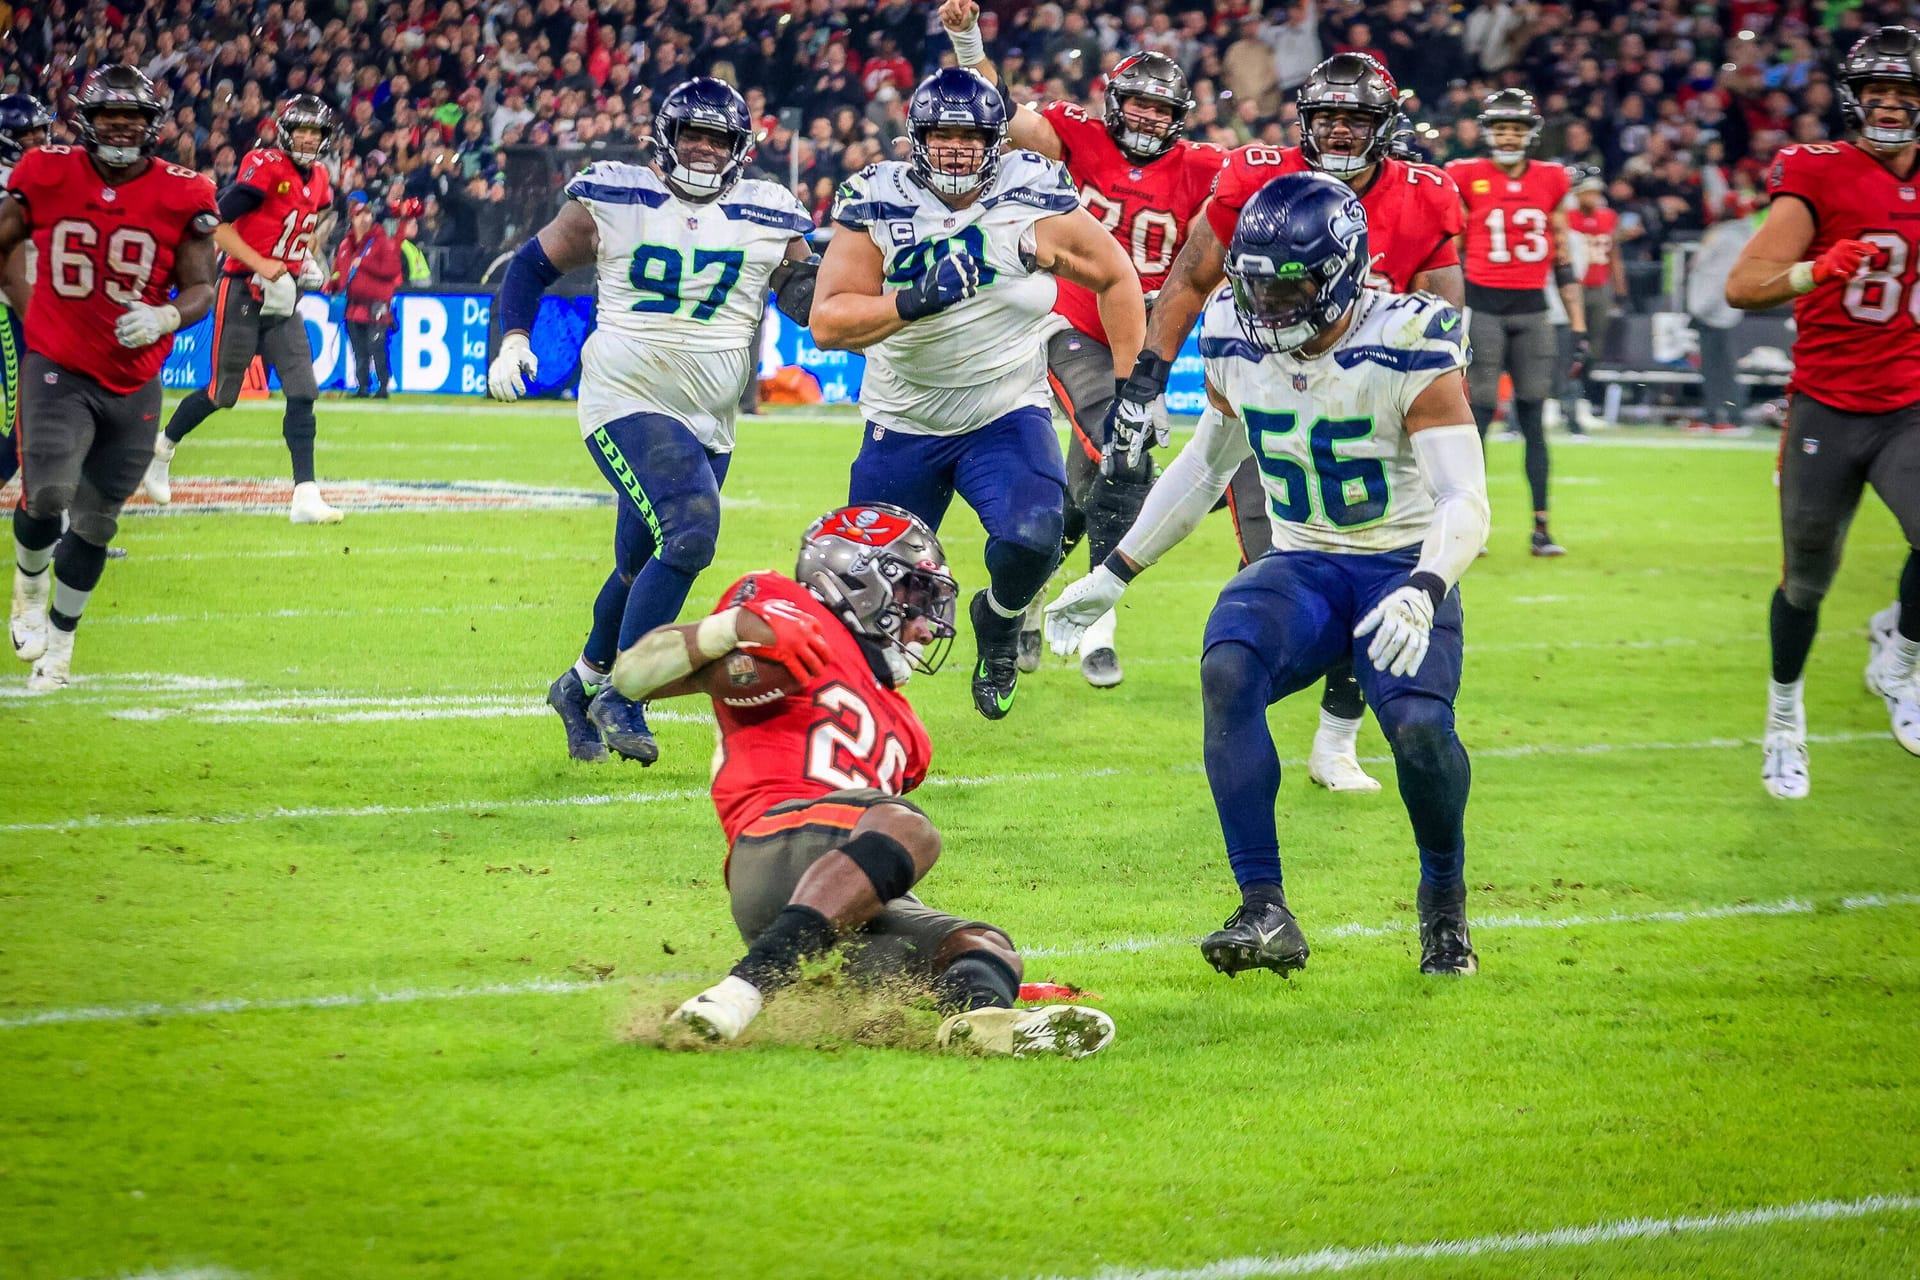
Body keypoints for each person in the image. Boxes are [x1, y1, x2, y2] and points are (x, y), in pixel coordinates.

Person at [1054, 174, 1487, 976]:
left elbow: (1466, 496)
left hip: (1398, 562)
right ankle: (1264, 907)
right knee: (1228, 664)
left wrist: (1427, 587)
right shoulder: (1230, 330)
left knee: (1421, 732)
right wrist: (1115, 573)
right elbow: (1203, 468)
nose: (1268, 302)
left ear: (1343, 273)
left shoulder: (1412, 339)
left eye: (1288, 284)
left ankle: (1444, 900)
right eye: (1252, 281)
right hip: (1303, 563)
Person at [612, 503, 1114, 1057]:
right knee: (909, 828)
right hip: (771, 844)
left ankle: (981, 1021)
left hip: (833, 894)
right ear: (862, 579)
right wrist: (732, 626)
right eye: (917, 599)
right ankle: (741, 991)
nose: (928, 624)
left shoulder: (905, 726)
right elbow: (633, 676)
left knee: (985, 946)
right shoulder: (785, 606)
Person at [1091, 52, 1463, 794]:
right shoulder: (1253, 175)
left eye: (1355, 118)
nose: (1339, 130)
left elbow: (1449, 318)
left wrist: (1437, 401)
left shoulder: (1426, 196)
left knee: (1375, 565)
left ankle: (1337, 735)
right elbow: (1194, 274)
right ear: (1302, 121)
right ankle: (1295, 720)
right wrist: (1147, 380)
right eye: (1326, 116)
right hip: (1273, 387)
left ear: (1385, 126)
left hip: (1374, 406)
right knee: (1281, 559)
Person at [486, 77, 816, 766]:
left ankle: (578, 686)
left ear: (738, 148)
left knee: (640, 565)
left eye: (715, 138)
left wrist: (855, 284)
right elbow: (530, 265)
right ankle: (625, 693)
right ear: (663, 140)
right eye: (691, 134)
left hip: (710, 418)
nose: (702, 148)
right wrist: (514, 338)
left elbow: (805, 297)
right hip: (625, 397)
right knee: (691, 530)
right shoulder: (616, 196)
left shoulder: (769, 212)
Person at [809, 67, 1145, 721]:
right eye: (943, 133)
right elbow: (828, 321)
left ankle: (1000, 619)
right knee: (871, 601)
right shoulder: (876, 196)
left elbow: (1116, 276)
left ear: (998, 140)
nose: (957, 147)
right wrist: (913, 300)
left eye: (972, 134)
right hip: (903, 418)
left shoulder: (1036, 192)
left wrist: (1132, 389)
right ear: (917, 137)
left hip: (1004, 411)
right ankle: (874, 740)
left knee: (1033, 538)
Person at [943, 1, 1224, 688]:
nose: (1150, 120)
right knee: (1123, 450)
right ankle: (1099, 622)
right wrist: (966, 39)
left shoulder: (1201, 168)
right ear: (1113, 103)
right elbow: (999, 110)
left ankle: (1029, 595)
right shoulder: (1077, 135)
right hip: (1073, 322)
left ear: (1180, 116)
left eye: (1163, 110)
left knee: (1084, 490)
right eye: (1139, 105)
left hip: (1149, 335)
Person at [1724, 25, 1920, 797]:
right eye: (1878, 94)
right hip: (1827, 406)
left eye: (1905, 95)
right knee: (1806, 582)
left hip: (1910, 399)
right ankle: (1783, 722)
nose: (1892, 107)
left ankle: (1899, 660)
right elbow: (1744, 285)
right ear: (1853, 99)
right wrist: (1818, 268)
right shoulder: (1820, 172)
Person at [3, 66, 219, 689]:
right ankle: (28, 588)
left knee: (97, 524)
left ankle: (61, 648)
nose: (121, 125)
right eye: (109, 115)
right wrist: (23, 297)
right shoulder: (47, 171)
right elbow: (4, 236)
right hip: (59, 365)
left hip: (134, 378)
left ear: (152, 125)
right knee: (47, 495)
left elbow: (202, 282)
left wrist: (168, 313)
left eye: (133, 116)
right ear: (87, 121)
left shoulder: (183, 190)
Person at [143, 95, 341, 524]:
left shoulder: (322, 177)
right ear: (288, 132)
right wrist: (264, 263)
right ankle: (162, 448)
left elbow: (313, 221)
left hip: (283, 295)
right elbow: (217, 223)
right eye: (302, 130)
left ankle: (305, 494)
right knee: (223, 393)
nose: (309, 139)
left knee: (304, 389)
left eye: (316, 131)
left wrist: (302, 255)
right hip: (242, 290)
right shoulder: (266, 165)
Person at [1446, 89, 1586, 557]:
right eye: (1501, 128)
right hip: (1483, 308)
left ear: (1531, 134)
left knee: (1533, 420)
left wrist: (1579, 323)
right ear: (1487, 132)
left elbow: (1563, 257)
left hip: (1533, 311)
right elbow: (1452, 250)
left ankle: (1541, 528)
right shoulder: (1465, 175)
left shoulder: (1550, 179)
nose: (1508, 136)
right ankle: (1473, 527)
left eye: (1517, 129)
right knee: (1478, 418)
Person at [0, 93, 52, 490]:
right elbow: (11, 275)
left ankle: (63, 528)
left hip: (36, 309)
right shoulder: (7, 187)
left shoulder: (42, 176)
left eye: (40, 131)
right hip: (11, 312)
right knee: (16, 426)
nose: (38, 139)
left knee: (52, 422)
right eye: (27, 134)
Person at [327, 191, 403, 398]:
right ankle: (362, 386)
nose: (364, 218)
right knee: (358, 348)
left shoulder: (381, 241)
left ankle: (383, 385)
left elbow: (392, 270)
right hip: (353, 304)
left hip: (377, 304)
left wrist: (365, 264)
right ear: (352, 218)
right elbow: (338, 270)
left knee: (376, 345)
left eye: (368, 214)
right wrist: (333, 283)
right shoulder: (345, 245)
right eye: (360, 214)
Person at [1564, 165, 1622, 431]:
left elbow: (1613, 254)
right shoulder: (1567, 216)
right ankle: (1563, 401)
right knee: (1569, 345)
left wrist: (1620, 289)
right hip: (1575, 287)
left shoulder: (1608, 217)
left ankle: (1581, 402)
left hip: (1599, 287)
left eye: (1597, 192)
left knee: (1594, 350)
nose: (1594, 197)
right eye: (1589, 192)